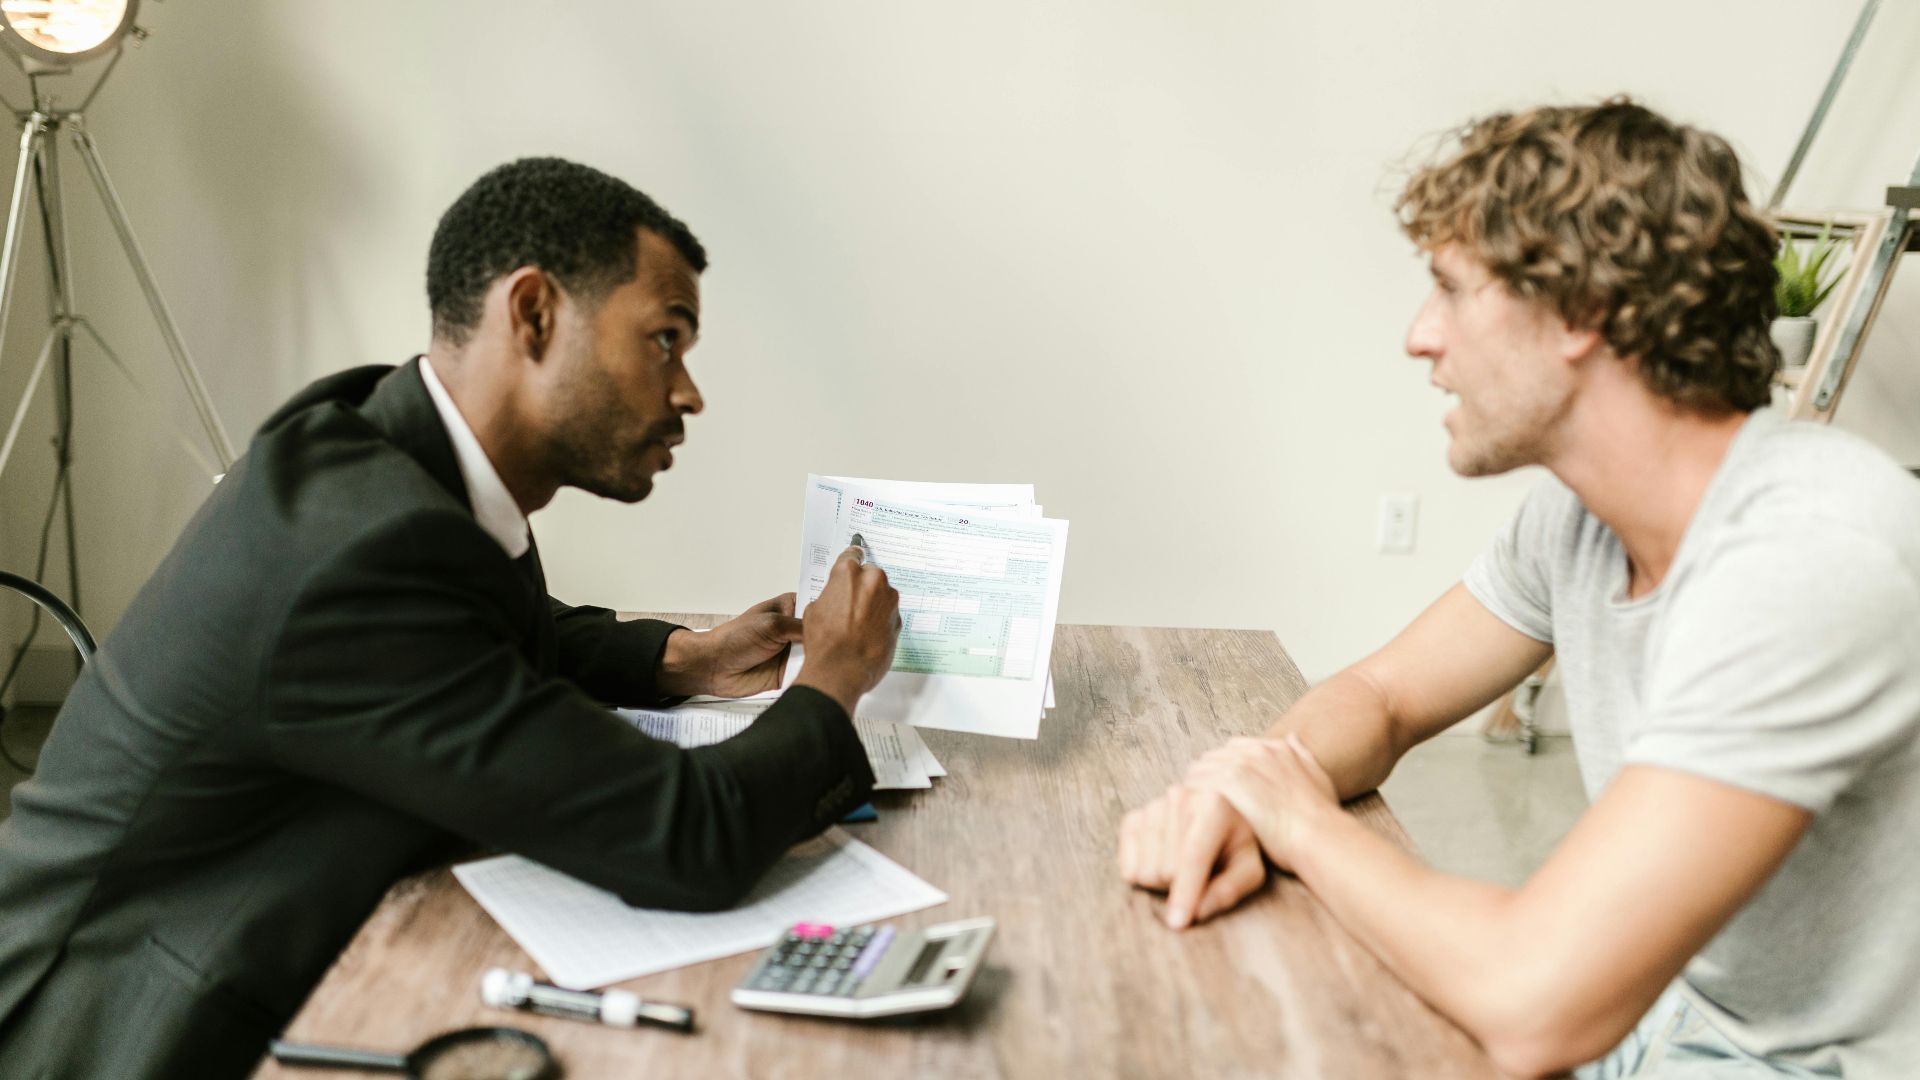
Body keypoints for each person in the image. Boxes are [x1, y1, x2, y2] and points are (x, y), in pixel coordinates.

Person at [0, 157, 901, 1079]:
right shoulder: (361, 556)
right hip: (113, 1032)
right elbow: (686, 837)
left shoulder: (375, 442)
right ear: (535, 313)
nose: (688, 392)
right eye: (666, 340)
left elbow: (469, 623)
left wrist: (682, 659)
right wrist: (834, 676)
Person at [1118, 99, 1920, 1078]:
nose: (1421, 337)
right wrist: (1239, 789)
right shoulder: (1576, 521)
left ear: (1580, 311)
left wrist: (1295, 817)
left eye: (1451, 290)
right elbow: (1387, 697)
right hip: (1661, 1019)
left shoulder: (1811, 554)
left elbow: (1538, 1001)